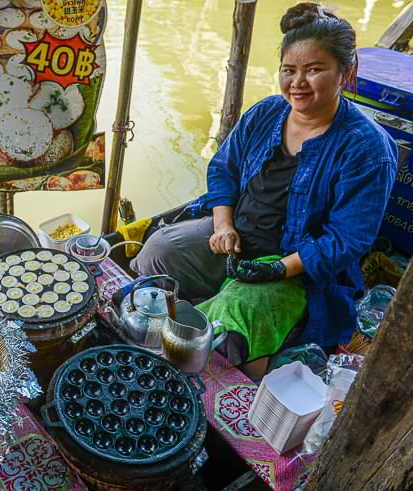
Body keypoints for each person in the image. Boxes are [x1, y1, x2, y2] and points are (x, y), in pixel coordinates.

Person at [130, 3, 397, 370]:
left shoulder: (367, 149)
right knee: (159, 251)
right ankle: (207, 311)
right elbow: (224, 169)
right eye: (289, 71)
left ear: (345, 73)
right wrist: (223, 225)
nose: (297, 83)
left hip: (298, 268)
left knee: (227, 322)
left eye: (314, 70)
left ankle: (238, 360)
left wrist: (276, 270)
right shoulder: (267, 111)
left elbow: (347, 241)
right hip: (237, 237)